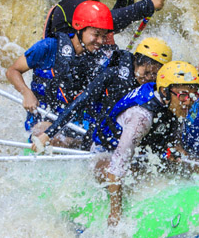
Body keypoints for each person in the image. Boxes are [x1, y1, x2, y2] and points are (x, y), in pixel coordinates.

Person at [95, 60, 199, 226]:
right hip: (105, 155)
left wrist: (182, 157)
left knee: (187, 164)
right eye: (184, 96)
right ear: (165, 91)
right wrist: (115, 214)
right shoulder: (141, 117)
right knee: (128, 173)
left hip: (140, 152)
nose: (189, 102)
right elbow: (116, 168)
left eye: (193, 96)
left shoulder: (173, 104)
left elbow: (173, 141)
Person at [29, 37, 173, 152]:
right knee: (41, 130)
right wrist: (48, 134)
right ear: (135, 61)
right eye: (145, 72)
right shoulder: (113, 74)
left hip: (130, 140)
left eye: (154, 75)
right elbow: (80, 102)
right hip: (96, 131)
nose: (148, 78)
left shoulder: (161, 90)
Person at [5, 0, 114, 142]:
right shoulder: (48, 47)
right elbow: (12, 71)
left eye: (103, 36)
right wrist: (26, 93)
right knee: (45, 133)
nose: (100, 41)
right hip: (44, 119)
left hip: (78, 126)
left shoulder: (101, 60)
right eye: (96, 34)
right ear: (79, 28)